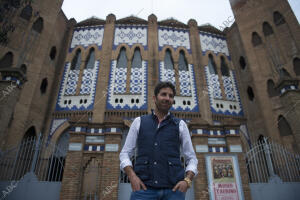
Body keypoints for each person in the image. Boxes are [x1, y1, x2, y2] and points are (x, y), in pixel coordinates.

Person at [120, 81, 198, 200]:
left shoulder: (180, 125)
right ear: (154, 98)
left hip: (174, 191)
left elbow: (191, 157)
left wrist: (187, 181)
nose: (167, 98)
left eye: (171, 96)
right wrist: (132, 176)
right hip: (144, 191)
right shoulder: (139, 122)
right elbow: (125, 153)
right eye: (163, 94)